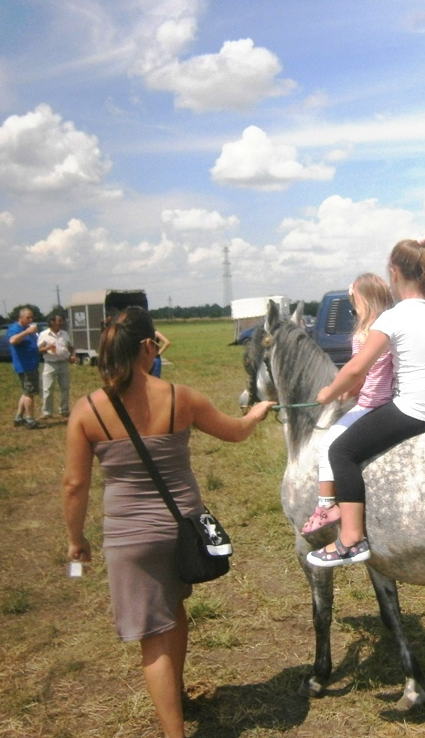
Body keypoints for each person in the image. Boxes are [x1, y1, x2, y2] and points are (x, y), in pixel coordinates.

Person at [61, 307, 273, 738]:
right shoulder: (181, 397)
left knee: (154, 632)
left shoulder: (87, 410)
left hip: (129, 537)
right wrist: (255, 414)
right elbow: (235, 431)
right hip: (181, 527)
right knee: (172, 611)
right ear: (146, 347)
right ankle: (176, 695)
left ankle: (173, 728)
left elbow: (73, 484)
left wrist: (75, 540)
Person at [307, 236, 425, 567]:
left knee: (340, 451)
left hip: (415, 410)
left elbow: (357, 367)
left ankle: (350, 539)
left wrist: (328, 393)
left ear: (394, 272)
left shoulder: (393, 316)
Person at [301, 273, 394, 535]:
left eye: (353, 300)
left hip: (371, 405)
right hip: (389, 401)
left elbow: (358, 374)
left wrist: (334, 392)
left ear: (362, 299)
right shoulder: (387, 329)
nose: (353, 307)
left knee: (329, 444)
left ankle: (325, 506)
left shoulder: (364, 334)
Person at [8, 307, 42, 429]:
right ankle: (30, 420)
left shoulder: (28, 329)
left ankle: (19, 417)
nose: (31, 319)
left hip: (31, 364)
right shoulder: (16, 329)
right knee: (30, 393)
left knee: (26, 392)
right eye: (28, 317)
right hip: (25, 366)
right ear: (20, 318)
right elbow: (12, 340)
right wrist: (27, 332)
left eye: (32, 317)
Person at [38, 314, 76, 419]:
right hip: (50, 364)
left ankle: (64, 409)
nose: (61, 323)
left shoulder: (64, 334)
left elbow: (70, 346)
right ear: (52, 322)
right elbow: (38, 350)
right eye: (59, 321)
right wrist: (47, 347)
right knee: (48, 389)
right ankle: (47, 412)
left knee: (65, 387)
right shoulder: (44, 334)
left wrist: (72, 355)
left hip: (63, 363)